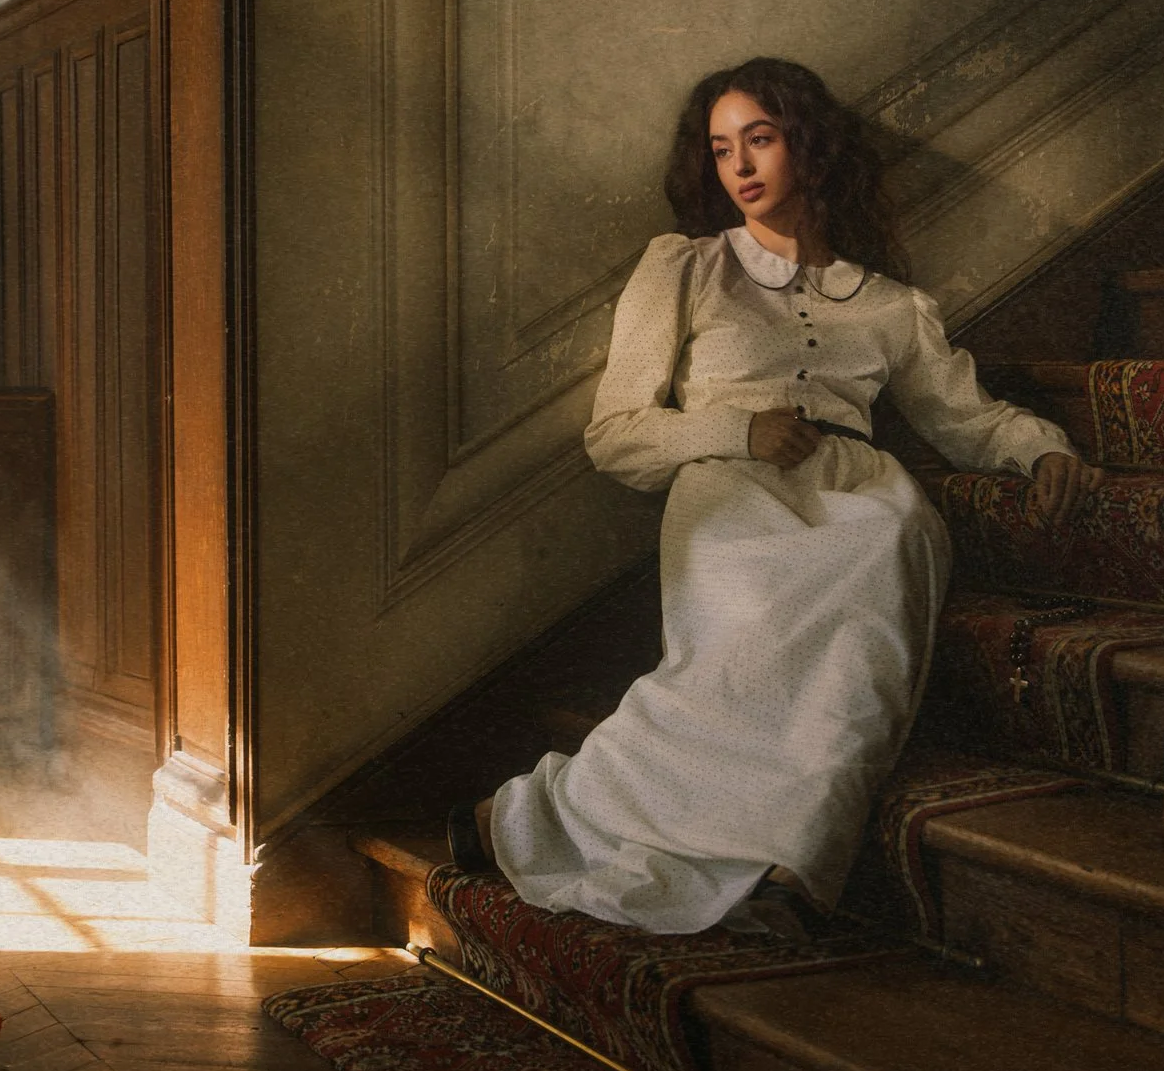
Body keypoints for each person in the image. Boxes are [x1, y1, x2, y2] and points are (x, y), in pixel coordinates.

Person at [447, 56, 1103, 935]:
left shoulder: (893, 307)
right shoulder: (684, 267)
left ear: (810, 147)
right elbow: (615, 435)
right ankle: (528, 819)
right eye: (722, 150)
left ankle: (794, 869)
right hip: (730, 498)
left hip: (860, 500)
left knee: (862, 650)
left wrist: (1042, 446)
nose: (741, 167)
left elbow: (967, 418)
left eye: (760, 140)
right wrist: (737, 431)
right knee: (730, 658)